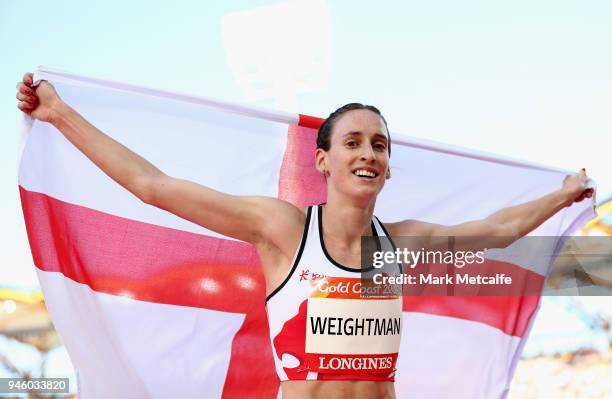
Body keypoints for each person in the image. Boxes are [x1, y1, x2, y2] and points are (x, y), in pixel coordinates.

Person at [16, 72, 593, 399]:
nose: (368, 152)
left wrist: (562, 195)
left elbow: (498, 229)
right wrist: (59, 114)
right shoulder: (283, 231)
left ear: (389, 167)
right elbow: (153, 185)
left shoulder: (405, 243)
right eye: (353, 142)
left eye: (379, 145)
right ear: (322, 161)